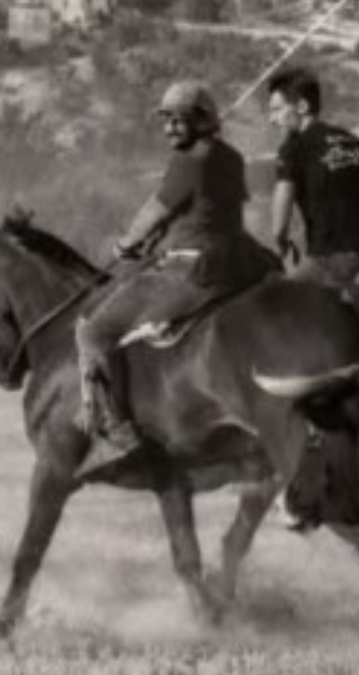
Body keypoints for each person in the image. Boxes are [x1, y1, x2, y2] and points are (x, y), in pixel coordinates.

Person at [75, 80, 280, 479]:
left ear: (201, 121)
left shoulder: (187, 161)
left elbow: (155, 211)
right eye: (166, 119)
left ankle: (116, 433)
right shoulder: (230, 157)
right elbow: (205, 207)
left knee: (94, 331)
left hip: (191, 267)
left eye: (178, 119)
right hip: (240, 260)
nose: (169, 127)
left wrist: (125, 243)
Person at [268, 67, 359, 287]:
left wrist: (281, 243)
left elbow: (279, 225)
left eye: (277, 110)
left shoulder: (293, 148)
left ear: (302, 107)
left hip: (333, 262)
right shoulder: (352, 141)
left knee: (276, 299)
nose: (272, 119)